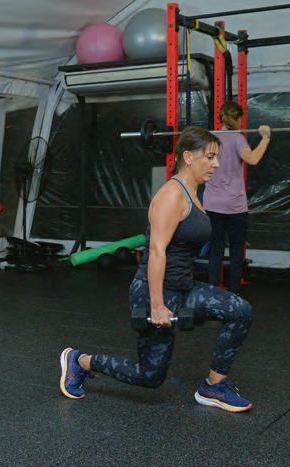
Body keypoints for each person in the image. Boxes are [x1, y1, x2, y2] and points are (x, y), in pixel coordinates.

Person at [59, 128, 255, 412]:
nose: (216, 164)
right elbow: (156, 250)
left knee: (240, 310)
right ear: (188, 157)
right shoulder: (172, 195)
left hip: (183, 289)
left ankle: (213, 386)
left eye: (217, 157)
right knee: (149, 376)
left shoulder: (195, 193)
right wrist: (157, 305)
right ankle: (79, 360)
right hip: (154, 292)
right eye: (210, 157)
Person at [203, 101, 271, 294]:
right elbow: (253, 159)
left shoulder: (209, 139)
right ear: (238, 118)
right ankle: (233, 295)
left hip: (212, 205)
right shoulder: (237, 139)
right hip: (234, 206)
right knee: (235, 252)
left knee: (215, 251)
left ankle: (213, 293)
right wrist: (265, 138)